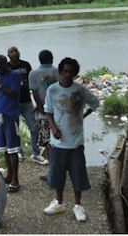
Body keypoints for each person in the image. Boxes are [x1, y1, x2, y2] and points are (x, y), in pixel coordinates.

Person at [43, 58, 99, 222]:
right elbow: (48, 111)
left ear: (75, 73)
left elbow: (95, 103)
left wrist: (82, 116)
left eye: (71, 72)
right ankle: (59, 203)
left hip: (75, 143)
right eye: (65, 71)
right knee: (57, 174)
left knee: (77, 174)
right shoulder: (52, 90)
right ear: (60, 72)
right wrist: (53, 126)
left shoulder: (80, 91)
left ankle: (78, 206)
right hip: (58, 142)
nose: (67, 74)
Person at [0, 54, 21, 192]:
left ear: (7, 63)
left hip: (10, 115)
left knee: (13, 149)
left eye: (1, 63)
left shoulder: (14, 76)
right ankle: (9, 175)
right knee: (5, 149)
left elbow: (13, 93)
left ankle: (16, 180)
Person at [6, 46, 44, 165]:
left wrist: (37, 100)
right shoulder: (6, 67)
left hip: (27, 102)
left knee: (33, 127)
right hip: (14, 103)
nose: (14, 53)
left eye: (16, 51)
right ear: (8, 55)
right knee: (15, 129)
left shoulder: (26, 65)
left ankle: (36, 154)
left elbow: (32, 82)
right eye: (12, 52)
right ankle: (19, 152)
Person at [28, 49, 60, 181]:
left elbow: (34, 93)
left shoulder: (33, 73)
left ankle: (52, 172)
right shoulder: (58, 71)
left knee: (47, 144)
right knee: (61, 141)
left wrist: (41, 108)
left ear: (39, 60)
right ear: (51, 59)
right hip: (58, 113)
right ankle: (62, 170)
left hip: (43, 116)